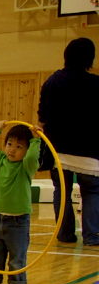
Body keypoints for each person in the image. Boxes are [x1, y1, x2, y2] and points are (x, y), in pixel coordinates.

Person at [37, 37, 99, 245]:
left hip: (58, 150)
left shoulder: (53, 81)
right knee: (91, 192)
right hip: (89, 151)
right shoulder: (96, 84)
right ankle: (91, 235)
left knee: (62, 191)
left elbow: (42, 116)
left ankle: (64, 234)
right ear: (90, 58)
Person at [0, 121, 41, 284]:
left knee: (17, 255)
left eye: (19, 147)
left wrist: (36, 140)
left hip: (18, 221)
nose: (12, 150)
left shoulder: (26, 166)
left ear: (27, 150)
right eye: (9, 144)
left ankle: (17, 282)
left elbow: (32, 157)